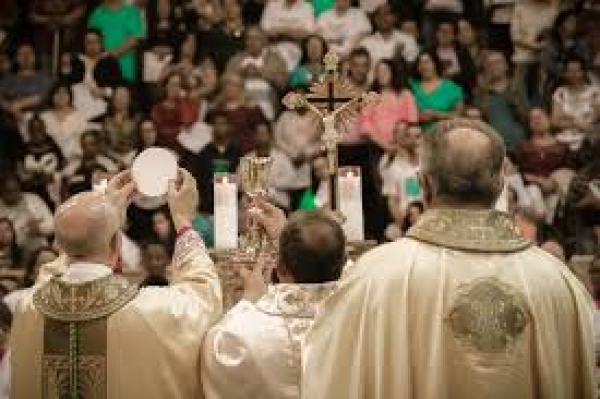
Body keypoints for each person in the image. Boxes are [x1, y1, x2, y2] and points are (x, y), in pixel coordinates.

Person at [302, 118, 595, 398]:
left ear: (424, 183)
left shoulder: (374, 277)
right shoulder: (560, 281)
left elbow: (325, 375)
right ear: (500, 185)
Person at [11, 169, 223, 398]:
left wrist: (105, 217)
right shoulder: (152, 310)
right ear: (116, 242)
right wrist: (183, 220)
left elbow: (66, 256)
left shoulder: (28, 307)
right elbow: (203, 294)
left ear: (62, 246)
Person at [202, 205, 346, 399]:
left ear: (280, 269)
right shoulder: (363, 320)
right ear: (343, 261)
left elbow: (217, 352)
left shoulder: (245, 333)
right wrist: (288, 236)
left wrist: (249, 301)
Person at [225, 26, 287, 120]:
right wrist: (240, 72)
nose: (252, 42)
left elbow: (283, 83)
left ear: (264, 41)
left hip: (266, 104)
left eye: (256, 38)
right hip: (239, 105)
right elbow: (224, 81)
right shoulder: (236, 59)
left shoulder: (275, 59)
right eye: (249, 38)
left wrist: (260, 73)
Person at [358, 59, 418, 152]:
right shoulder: (371, 96)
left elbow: (412, 121)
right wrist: (385, 145)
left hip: (403, 147)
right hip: (377, 147)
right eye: (378, 71)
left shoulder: (405, 94)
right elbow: (366, 123)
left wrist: (401, 144)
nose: (381, 74)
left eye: (385, 70)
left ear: (392, 72)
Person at [475, 51, 526, 154]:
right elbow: (479, 120)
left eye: (498, 62)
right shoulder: (480, 92)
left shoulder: (518, 87)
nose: (494, 66)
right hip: (494, 148)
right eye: (490, 64)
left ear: (506, 66)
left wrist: (515, 98)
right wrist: (484, 92)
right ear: (485, 69)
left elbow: (526, 115)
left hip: (520, 145)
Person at [88, 0, 146, 82]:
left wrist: (109, 56)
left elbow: (134, 40)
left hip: (125, 71)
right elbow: (90, 40)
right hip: (100, 71)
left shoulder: (132, 12)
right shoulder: (96, 14)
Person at [551, 56, 600, 151]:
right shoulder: (560, 92)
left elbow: (596, 117)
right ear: (565, 73)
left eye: (577, 71)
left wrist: (567, 119)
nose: (573, 74)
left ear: (583, 72)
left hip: (589, 137)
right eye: (570, 71)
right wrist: (577, 124)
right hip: (565, 137)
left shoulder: (595, 91)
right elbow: (555, 121)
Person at [410, 50, 464, 131]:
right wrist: (418, 116)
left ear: (435, 63)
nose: (423, 66)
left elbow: (460, 116)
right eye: (420, 63)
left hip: (445, 134)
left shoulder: (451, 87)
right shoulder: (411, 85)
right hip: (417, 136)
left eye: (427, 62)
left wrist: (436, 114)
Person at [0, 176, 53, 254]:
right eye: (8, 191)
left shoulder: (34, 200)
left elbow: (52, 225)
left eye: (16, 190)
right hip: (8, 253)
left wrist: (39, 229)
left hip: (37, 250)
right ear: (1, 191)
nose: (13, 194)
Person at [40, 82, 88, 161]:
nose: (61, 96)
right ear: (51, 96)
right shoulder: (44, 117)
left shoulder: (80, 116)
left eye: (64, 93)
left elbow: (85, 139)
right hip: (49, 158)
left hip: (76, 157)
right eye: (57, 93)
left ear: (70, 96)